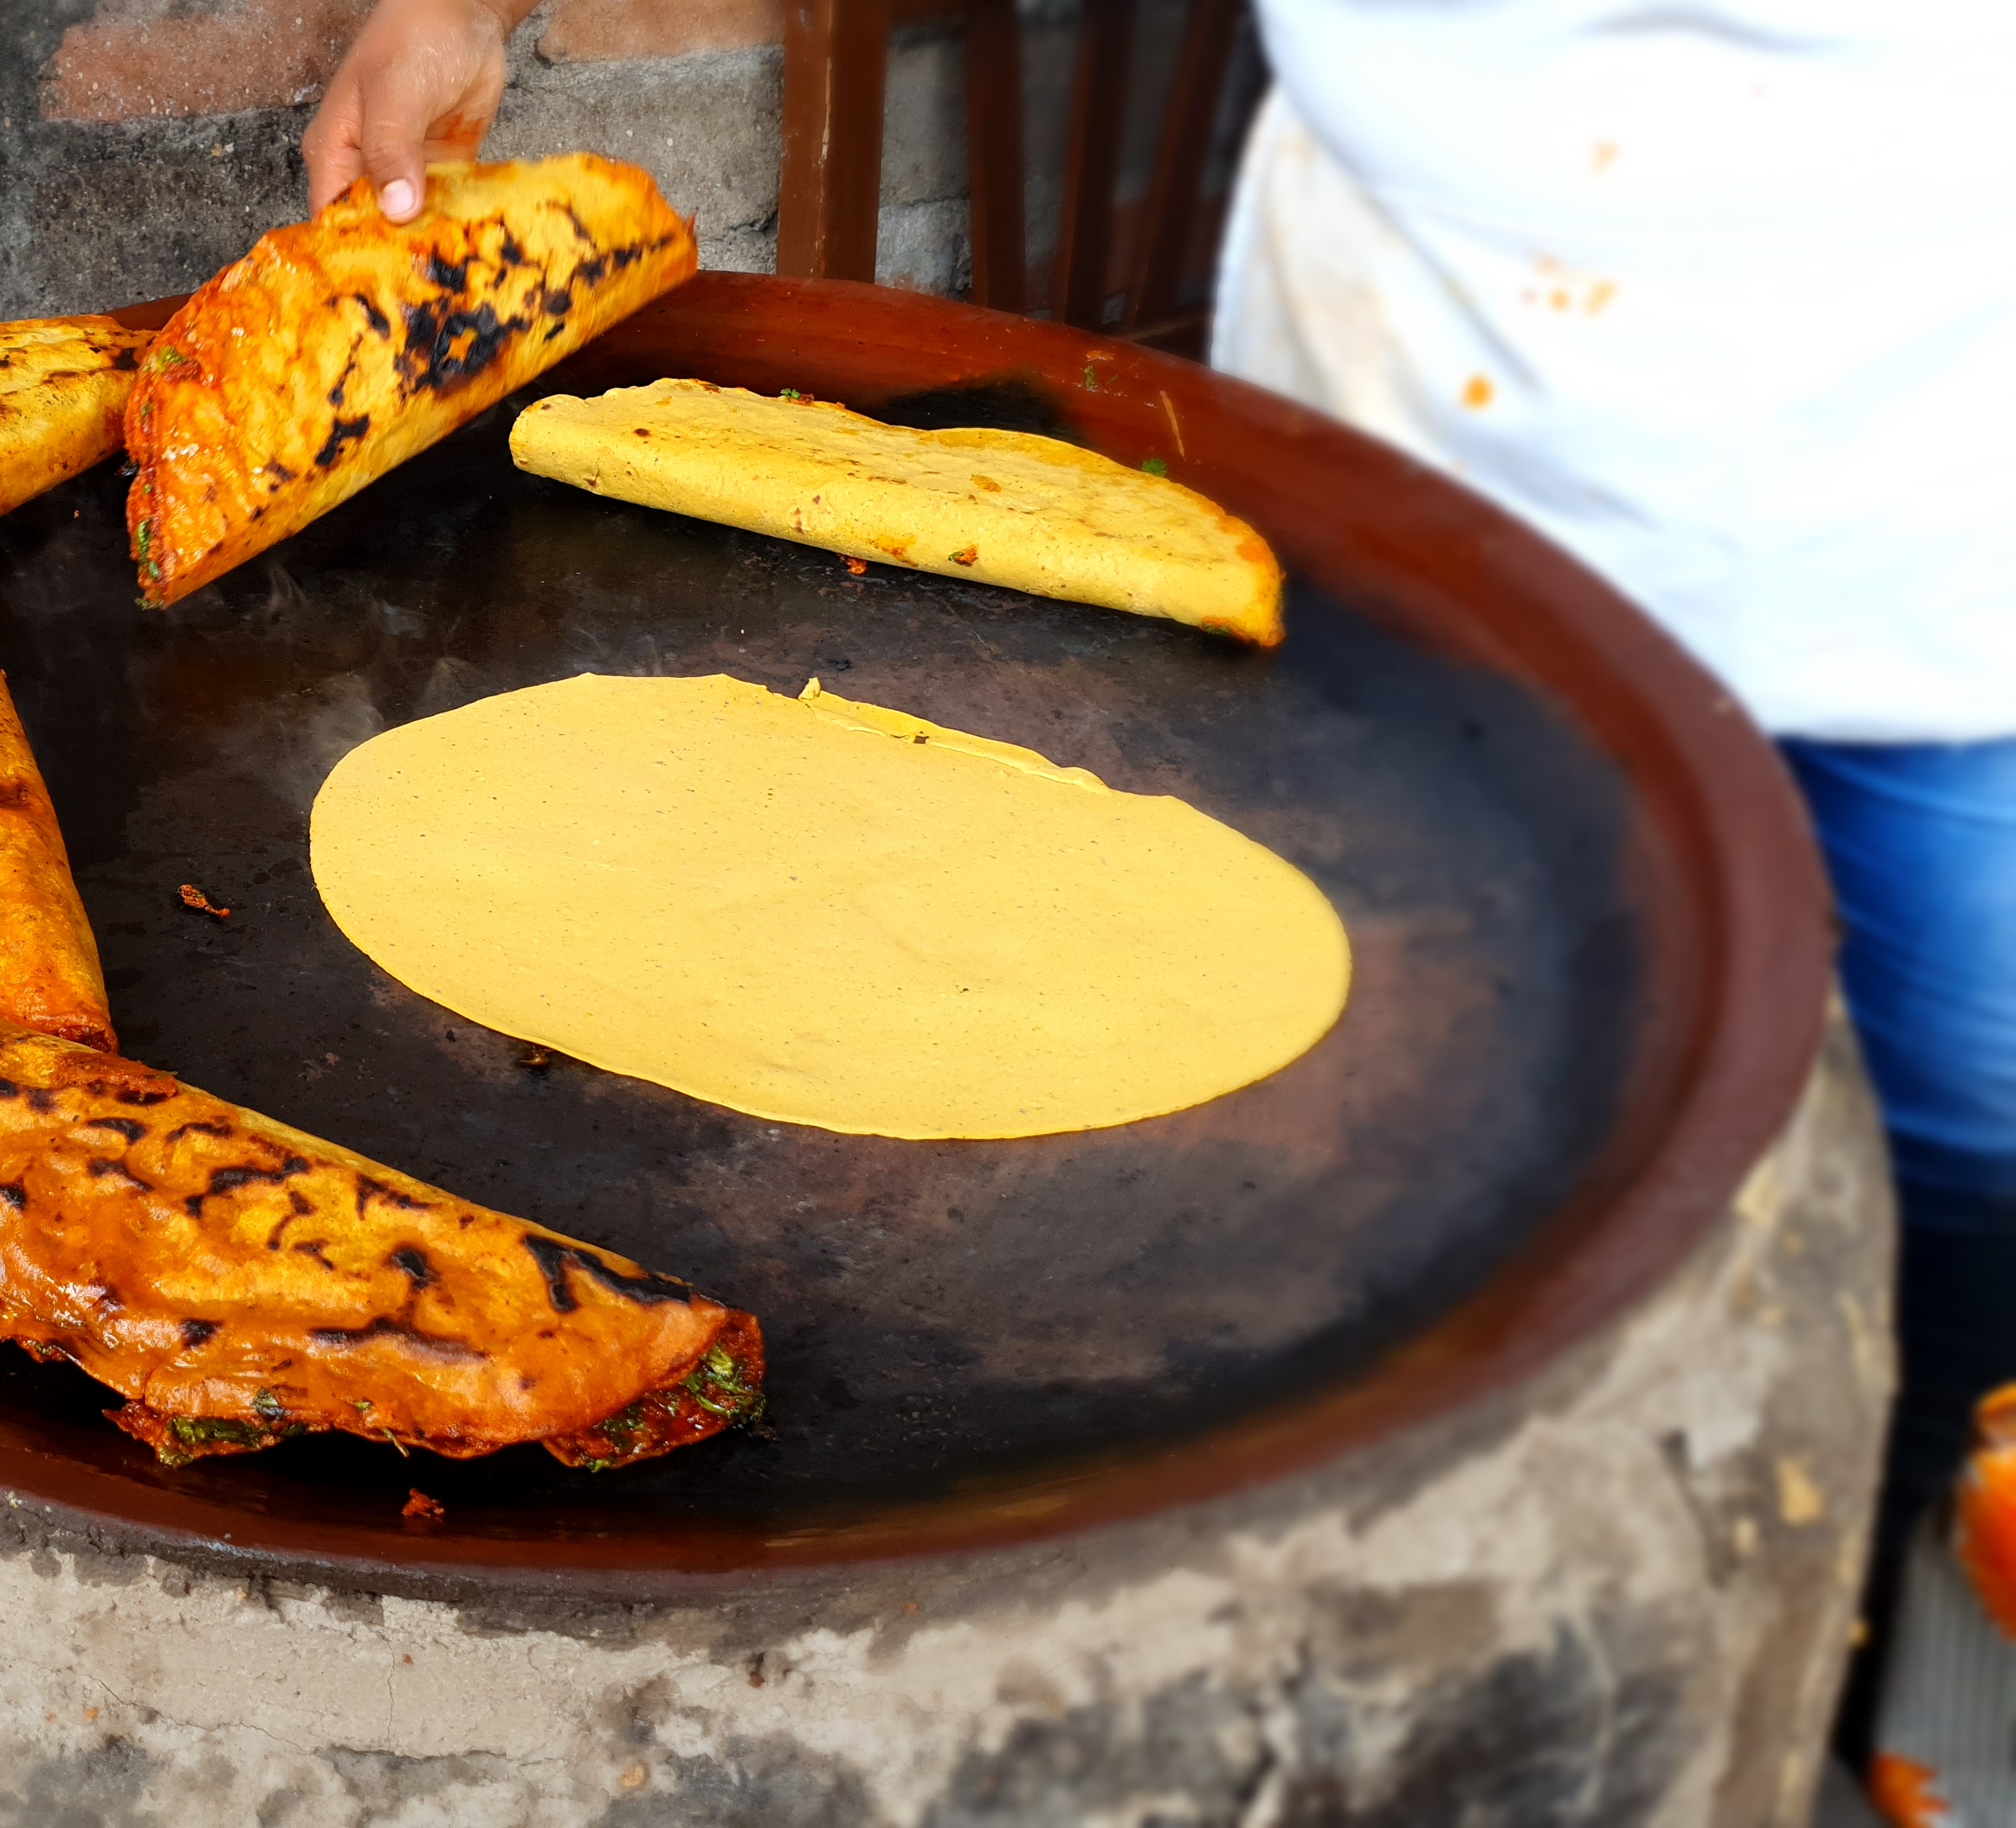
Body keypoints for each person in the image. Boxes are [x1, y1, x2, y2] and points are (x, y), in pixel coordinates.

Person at [305, 0, 2016, 1779]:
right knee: (1412, 1193)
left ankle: (1842, 1651)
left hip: (1933, 490)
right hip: (1406, 384)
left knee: (1959, 1153)